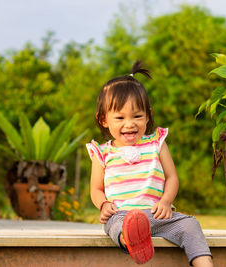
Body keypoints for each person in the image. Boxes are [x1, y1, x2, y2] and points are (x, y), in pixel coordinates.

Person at [87, 60, 213, 266]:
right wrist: (103, 204)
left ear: (148, 116)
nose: (130, 124)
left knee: (190, 225)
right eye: (119, 118)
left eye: (137, 116)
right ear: (103, 119)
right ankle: (132, 240)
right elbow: (95, 188)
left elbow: (172, 177)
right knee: (114, 227)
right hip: (122, 215)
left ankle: (204, 264)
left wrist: (165, 202)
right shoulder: (102, 152)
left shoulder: (156, 143)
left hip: (157, 214)